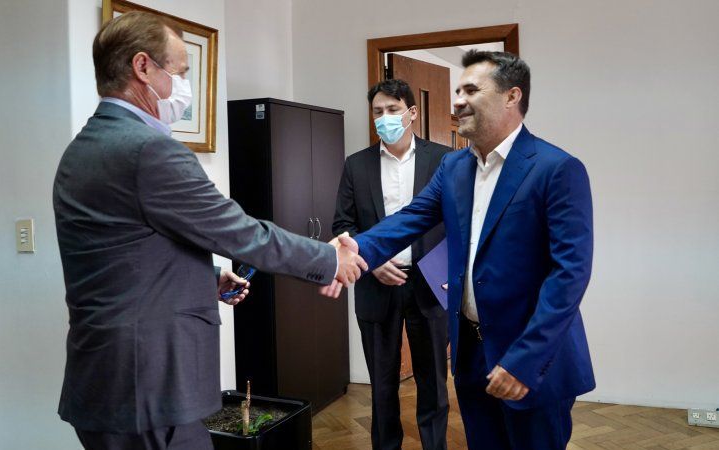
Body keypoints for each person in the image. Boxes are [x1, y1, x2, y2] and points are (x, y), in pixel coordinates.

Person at [53, 11, 365, 450]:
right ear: (142, 67)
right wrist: (330, 259)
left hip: (104, 382)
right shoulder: (149, 150)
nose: (185, 87)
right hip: (151, 389)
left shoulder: (82, 148)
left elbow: (122, 255)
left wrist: (206, 278)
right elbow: (241, 233)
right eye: (180, 72)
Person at [323, 50, 594, 450]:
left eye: (471, 90)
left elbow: (569, 274)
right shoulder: (454, 168)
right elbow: (410, 219)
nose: (457, 101)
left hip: (531, 359)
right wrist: (351, 249)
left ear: (511, 96)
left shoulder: (557, 169)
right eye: (457, 91)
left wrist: (525, 359)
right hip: (471, 354)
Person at [332, 79, 450, 450]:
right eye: (378, 111)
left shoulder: (445, 159)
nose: (384, 117)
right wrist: (371, 261)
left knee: (433, 382)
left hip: (430, 285)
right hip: (376, 285)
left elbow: (459, 222)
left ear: (412, 113)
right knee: (382, 386)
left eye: (393, 110)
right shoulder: (357, 165)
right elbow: (342, 225)